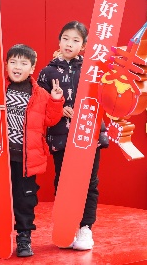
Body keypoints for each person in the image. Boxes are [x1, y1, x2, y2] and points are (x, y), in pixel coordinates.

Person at [0, 44, 65, 258]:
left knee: (24, 200)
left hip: (26, 160)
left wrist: (56, 100)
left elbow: (51, 120)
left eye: (23, 63)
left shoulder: (41, 94)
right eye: (13, 62)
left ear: (32, 68)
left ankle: (24, 238)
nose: (17, 67)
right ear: (6, 65)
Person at [37, 21, 106, 251]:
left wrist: (83, 111)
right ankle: (66, 226)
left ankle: (85, 228)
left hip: (88, 134)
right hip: (61, 135)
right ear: (59, 41)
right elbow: (39, 106)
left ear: (83, 46)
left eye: (76, 40)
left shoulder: (92, 70)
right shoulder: (47, 72)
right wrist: (58, 106)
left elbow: (103, 99)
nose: (69, 44)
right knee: (63, 181)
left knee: (89, 182)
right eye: (66, 38)